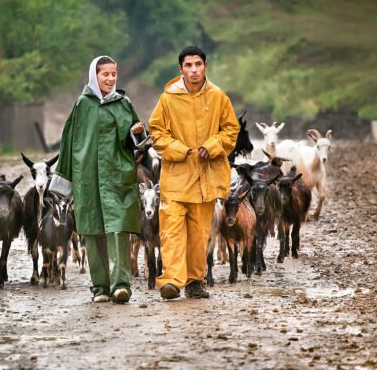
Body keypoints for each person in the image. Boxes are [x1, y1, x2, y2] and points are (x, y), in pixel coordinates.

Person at [49, 55, 145, 304]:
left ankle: (121, 285)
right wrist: (66, 180)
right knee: (92, 232)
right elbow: (69, 143)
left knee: (118, 230)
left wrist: (138, 133)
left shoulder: (124, 103)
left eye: (114, 74)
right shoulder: (82, 105)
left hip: (117, 176)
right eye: (106, 74)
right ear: (95, 75)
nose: (111, 79)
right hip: (88, 178)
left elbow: (138, 142)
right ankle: (100, 288)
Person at [148, 45, 239, 300]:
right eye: (188, 65)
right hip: (176, 176)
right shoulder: (168, 98)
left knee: (199, 233)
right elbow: (157, 133)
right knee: (172, 230)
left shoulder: (218, 97)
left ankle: (194, 281)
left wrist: (211, 147)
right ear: (180, 70)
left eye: (198, 64)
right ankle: (172, 282)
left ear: (205, 66)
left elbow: (231, 130)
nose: (194, 70)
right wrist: (182, 150)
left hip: (205, 178)